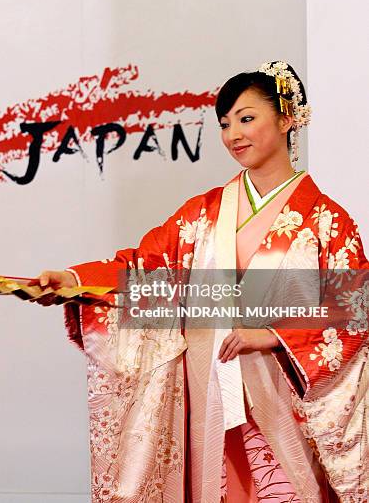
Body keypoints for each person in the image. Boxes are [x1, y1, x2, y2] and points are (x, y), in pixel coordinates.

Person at [32, 61, 368, 502]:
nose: (233, 135)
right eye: (225, 124)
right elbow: (147, 268)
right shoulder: (204, 212)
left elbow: (353, 312)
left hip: (283, 394)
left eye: (247, 119)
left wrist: (273, 335)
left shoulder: (327, 220)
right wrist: (75, 280)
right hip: (211, 388)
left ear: (287, 119)